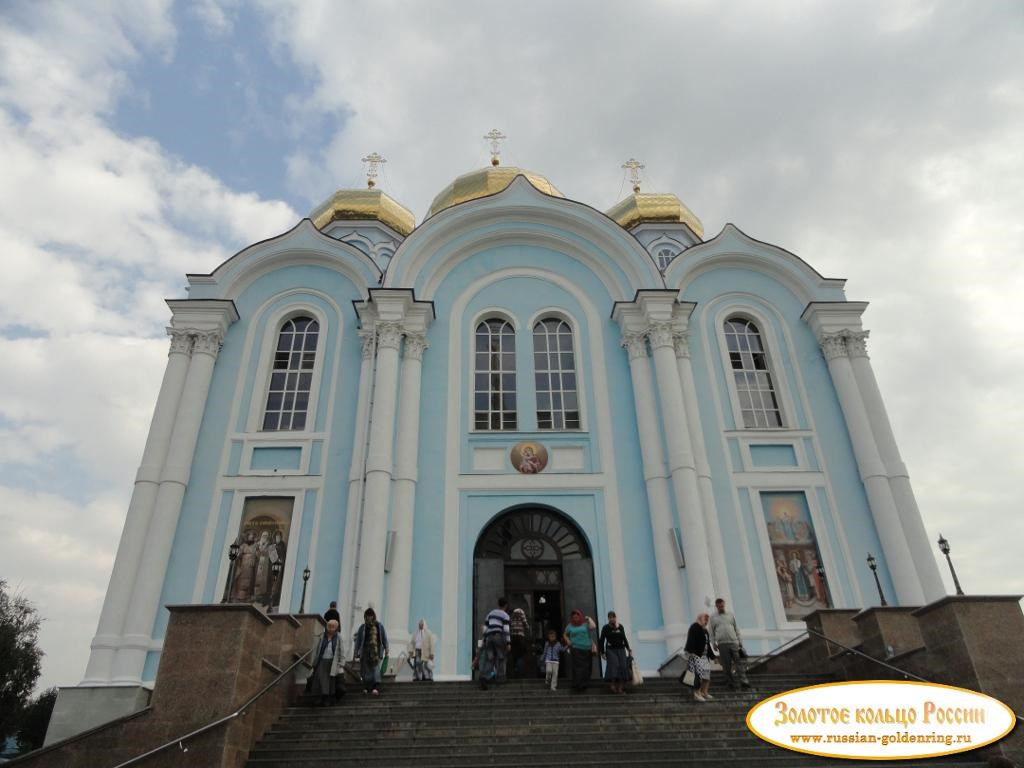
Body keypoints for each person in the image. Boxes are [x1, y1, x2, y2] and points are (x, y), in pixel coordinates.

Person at [710, 598, 751, 690]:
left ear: (724, 605)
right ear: (716, 606)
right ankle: (730, 683)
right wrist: (713, 643)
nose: (721, 607)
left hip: (734, 642)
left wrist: (739, 641)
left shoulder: (730, 615)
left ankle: (744, 681)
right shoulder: (713, 618)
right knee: (726, 665)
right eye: (719, 606)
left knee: (739, 663)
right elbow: (711, 632)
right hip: (722, 644)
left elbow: (736, 629)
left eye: (722, 606)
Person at [308, 619, 344, 706]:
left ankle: (328, 699)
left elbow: (341, 651)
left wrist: (341, 663)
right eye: (329, 626)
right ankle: (321, 698)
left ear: (336, 628)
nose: (331, 628)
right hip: (322, 660)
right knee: (320, 680)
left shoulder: (338, 637)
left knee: (330, 681)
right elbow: (317, 650)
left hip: (332, 662)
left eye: (333, 627)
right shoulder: (322, 636)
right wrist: (314, 662)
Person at [353, 608, 389, 695]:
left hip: (375, 651)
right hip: (365, 650)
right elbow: (358, 641)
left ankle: (375, 687)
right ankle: (366, 687)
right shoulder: (362, 627)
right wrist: (356, 651)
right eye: (368, 616)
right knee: (365, 670)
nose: (369, 617)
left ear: (373, 616)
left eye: (371, 616)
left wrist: (387, 648)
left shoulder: (379, 626)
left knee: (375, 669)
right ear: (365, 617)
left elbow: (384, 637)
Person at [479, 597, 511, 690]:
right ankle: (500, 678)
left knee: (490, 659)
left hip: (489, 637)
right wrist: (508, 642)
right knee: (501, 657)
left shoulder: (490, 613)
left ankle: (483, 677)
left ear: (498, 604)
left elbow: (485, 628)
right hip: (498, 636)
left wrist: (484, 640)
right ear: (506, 605)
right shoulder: (505, 615)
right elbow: (506, 629)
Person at [684, 612, 716, 702]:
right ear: (700, 618)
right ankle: (696, 693)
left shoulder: (705, 630)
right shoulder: (695, 627)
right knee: (697, 675)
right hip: (696, 655)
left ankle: (704, 692)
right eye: (705, 619)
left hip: (705, 656)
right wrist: (691, 652)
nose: (706, 621)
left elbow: (707, 644)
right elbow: (691, 640)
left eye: (707, 620)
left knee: (706, 675)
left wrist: (713, 657)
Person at [563, 609, 597, 692]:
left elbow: (593, 626)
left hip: (587, 649)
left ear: (580, 617)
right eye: (573, 617)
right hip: (576, 648)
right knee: (578, 668)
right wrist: (567, 640)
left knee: (587, 667)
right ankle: (578, 685)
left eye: (577, 617)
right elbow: (564, 634)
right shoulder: (570, 626)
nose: (575, 619)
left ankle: (584, 684)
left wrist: (589, 618)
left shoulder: (585, 624)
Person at [599, 611, 632, 694]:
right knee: (615, 665)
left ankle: (620, 688)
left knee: (623, 667)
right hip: (611, 650)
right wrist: (602, 652)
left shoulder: (620, 627)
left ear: (615, 618)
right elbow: (602, 640)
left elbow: (624, 638)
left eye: (613, 617)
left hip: (621, 649)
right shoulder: (605, 628)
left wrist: (628, 648)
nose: (612, 619)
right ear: (608, 619)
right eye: (610, 617)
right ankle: (612, 684)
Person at [509, 607, 530, 678]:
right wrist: (527, 627)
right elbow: (526, 624)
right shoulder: (522, 612)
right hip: (520, 637)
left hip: (513, 637)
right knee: (520, 655)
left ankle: (514, 670)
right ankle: (520, 672)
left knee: (514, 654)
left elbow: (510, 624)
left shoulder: (512, 615)